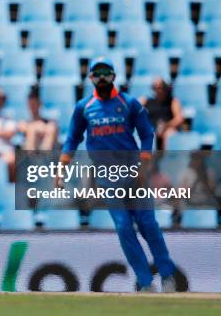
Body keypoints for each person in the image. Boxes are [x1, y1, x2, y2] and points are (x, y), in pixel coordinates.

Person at [59, 57, 177, 293]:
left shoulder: (129, 103)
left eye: (106, 73)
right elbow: (72, 138)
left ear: (114, 76)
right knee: (123, 227)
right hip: (107, 176)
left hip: (134, 172)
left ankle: (167, 275)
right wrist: (62, 165)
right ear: (91, 78)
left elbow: (147, 134)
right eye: (97, 74)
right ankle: (145, 282)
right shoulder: (84, 107)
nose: (102, 78)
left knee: (148, 224)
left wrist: (144, 163)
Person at [140, 77, 184, 150]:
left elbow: (179, 118)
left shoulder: (173, 101)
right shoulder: (146, 100)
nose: (157, 90)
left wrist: (166, 126)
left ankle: (166, 159)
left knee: (170, 134)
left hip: (168, 128)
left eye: (160, 87)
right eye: (154, 87)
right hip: (152, 129)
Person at [18, 86, 58, 151]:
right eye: (31, 103)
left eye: (35, 103)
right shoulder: (24, 121)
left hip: (45, 152)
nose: (33, 106)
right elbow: (22, 127)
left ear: (40, 103)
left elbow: (53, 127)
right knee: (32, 130)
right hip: (29, 153)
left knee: (51, 129)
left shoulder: (49, 122)